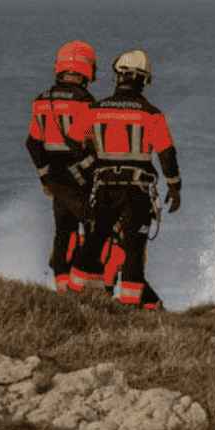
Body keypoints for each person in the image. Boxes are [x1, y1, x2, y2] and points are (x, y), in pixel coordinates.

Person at [74, 49, 181, 308]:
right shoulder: (151, 114)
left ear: (118, 77)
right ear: (144, 80)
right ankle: (131, 307)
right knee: (133, 249)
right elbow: (167, 154)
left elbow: (78, 140)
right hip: (136, 192)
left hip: (103, 189)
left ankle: (76, 296)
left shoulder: (94, 110)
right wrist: (175, 186)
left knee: (94, 242)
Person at [26, 41, 99, 291]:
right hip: (81, 176)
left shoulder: (41, 100)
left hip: (56, 179)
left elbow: (33, 143)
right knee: (93, 227)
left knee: (63, 231)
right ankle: (83, 287)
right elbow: (92, 141)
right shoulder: (87, 102)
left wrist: (45, 177)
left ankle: (62, 286)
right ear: (87, 69)